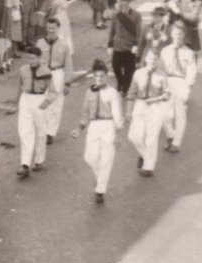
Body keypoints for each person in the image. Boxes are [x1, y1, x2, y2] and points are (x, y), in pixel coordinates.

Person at [71, 60, 123, 204]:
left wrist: (118, 134)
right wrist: (79, 128)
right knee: (90, 157)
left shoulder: (113, 93)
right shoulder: (89, 91)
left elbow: (118, 115)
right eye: (96, 77)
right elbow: (85, 112)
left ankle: (100, 190)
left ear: (107, 76)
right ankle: (100, 179)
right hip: (94, 126)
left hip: (108, 125)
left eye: (102, 76)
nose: (99, 79)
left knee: (106, 159)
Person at [125, 49, 170, 177]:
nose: (152, 62)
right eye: (150, 59)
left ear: (158, 61)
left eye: (155, 59)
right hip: (140, 105)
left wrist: (161, 98)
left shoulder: (162, 75)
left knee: (151, 138)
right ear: (146, 59)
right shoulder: (138, 74)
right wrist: (128, 110)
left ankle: (149, 167)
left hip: (155, 108)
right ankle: (146, 156)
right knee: (134, 136)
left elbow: (167, 94)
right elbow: (131, 93)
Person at [15, 46, 57, 179]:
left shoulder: (46, 72)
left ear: (39, 58)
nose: (31, 61)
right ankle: (25, 164)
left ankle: (39, 160)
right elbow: (20, 88)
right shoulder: (23, 70)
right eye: (29, 58)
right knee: (25, 131)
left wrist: (47, 102)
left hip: (40, 100)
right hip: (26, 99)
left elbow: (53, 91)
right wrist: (17, 103)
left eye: (33, 58)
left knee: (40, 132)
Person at [160, 22, 197, 153]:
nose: (178, 37)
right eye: (176, 34)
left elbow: (191, 73)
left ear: (184, 35)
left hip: (181, 83)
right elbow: (161, 70)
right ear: (171, 34)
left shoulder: (189, 53)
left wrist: (187, 90)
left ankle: (176, 143)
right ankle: (170, 135)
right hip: (168, 82)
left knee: (180, 115)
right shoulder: (165, 51)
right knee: (164, 115)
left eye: (180, 35)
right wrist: (161, 86)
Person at [35, 18, 73, 144]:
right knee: (42, 102)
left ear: (58, 29)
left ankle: (50, 132)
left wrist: (68, 82)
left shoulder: (63, 44)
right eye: (49, 28)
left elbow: (68, 64)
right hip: (43, 73)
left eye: (53, 28)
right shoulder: (40, 43)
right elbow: (35, 61)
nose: (51, 31)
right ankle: (42, 129)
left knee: (56, 105)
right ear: (46, 28)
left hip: (58, 74)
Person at [108, 0, 142, 96]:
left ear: (129, 2)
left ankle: (126, 88)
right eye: (122, 1)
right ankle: (120, 82)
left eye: (126, 1)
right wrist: (110, 44)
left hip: (130, 46)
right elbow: (112, 31)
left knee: (129, 70)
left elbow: (138, 32)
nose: (124, 3)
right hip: (118, 45)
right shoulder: (116, 14)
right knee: (115, 67)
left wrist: (136, 44)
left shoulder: (136, 15)